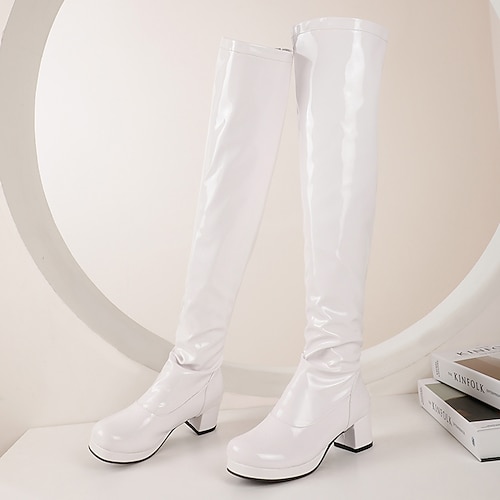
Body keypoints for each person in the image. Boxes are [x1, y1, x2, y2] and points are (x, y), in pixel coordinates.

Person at [89, 16, 388, 482]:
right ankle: (195, 369)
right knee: (234, 138)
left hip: (331, 382)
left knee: (328, 121)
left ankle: (332, 378)